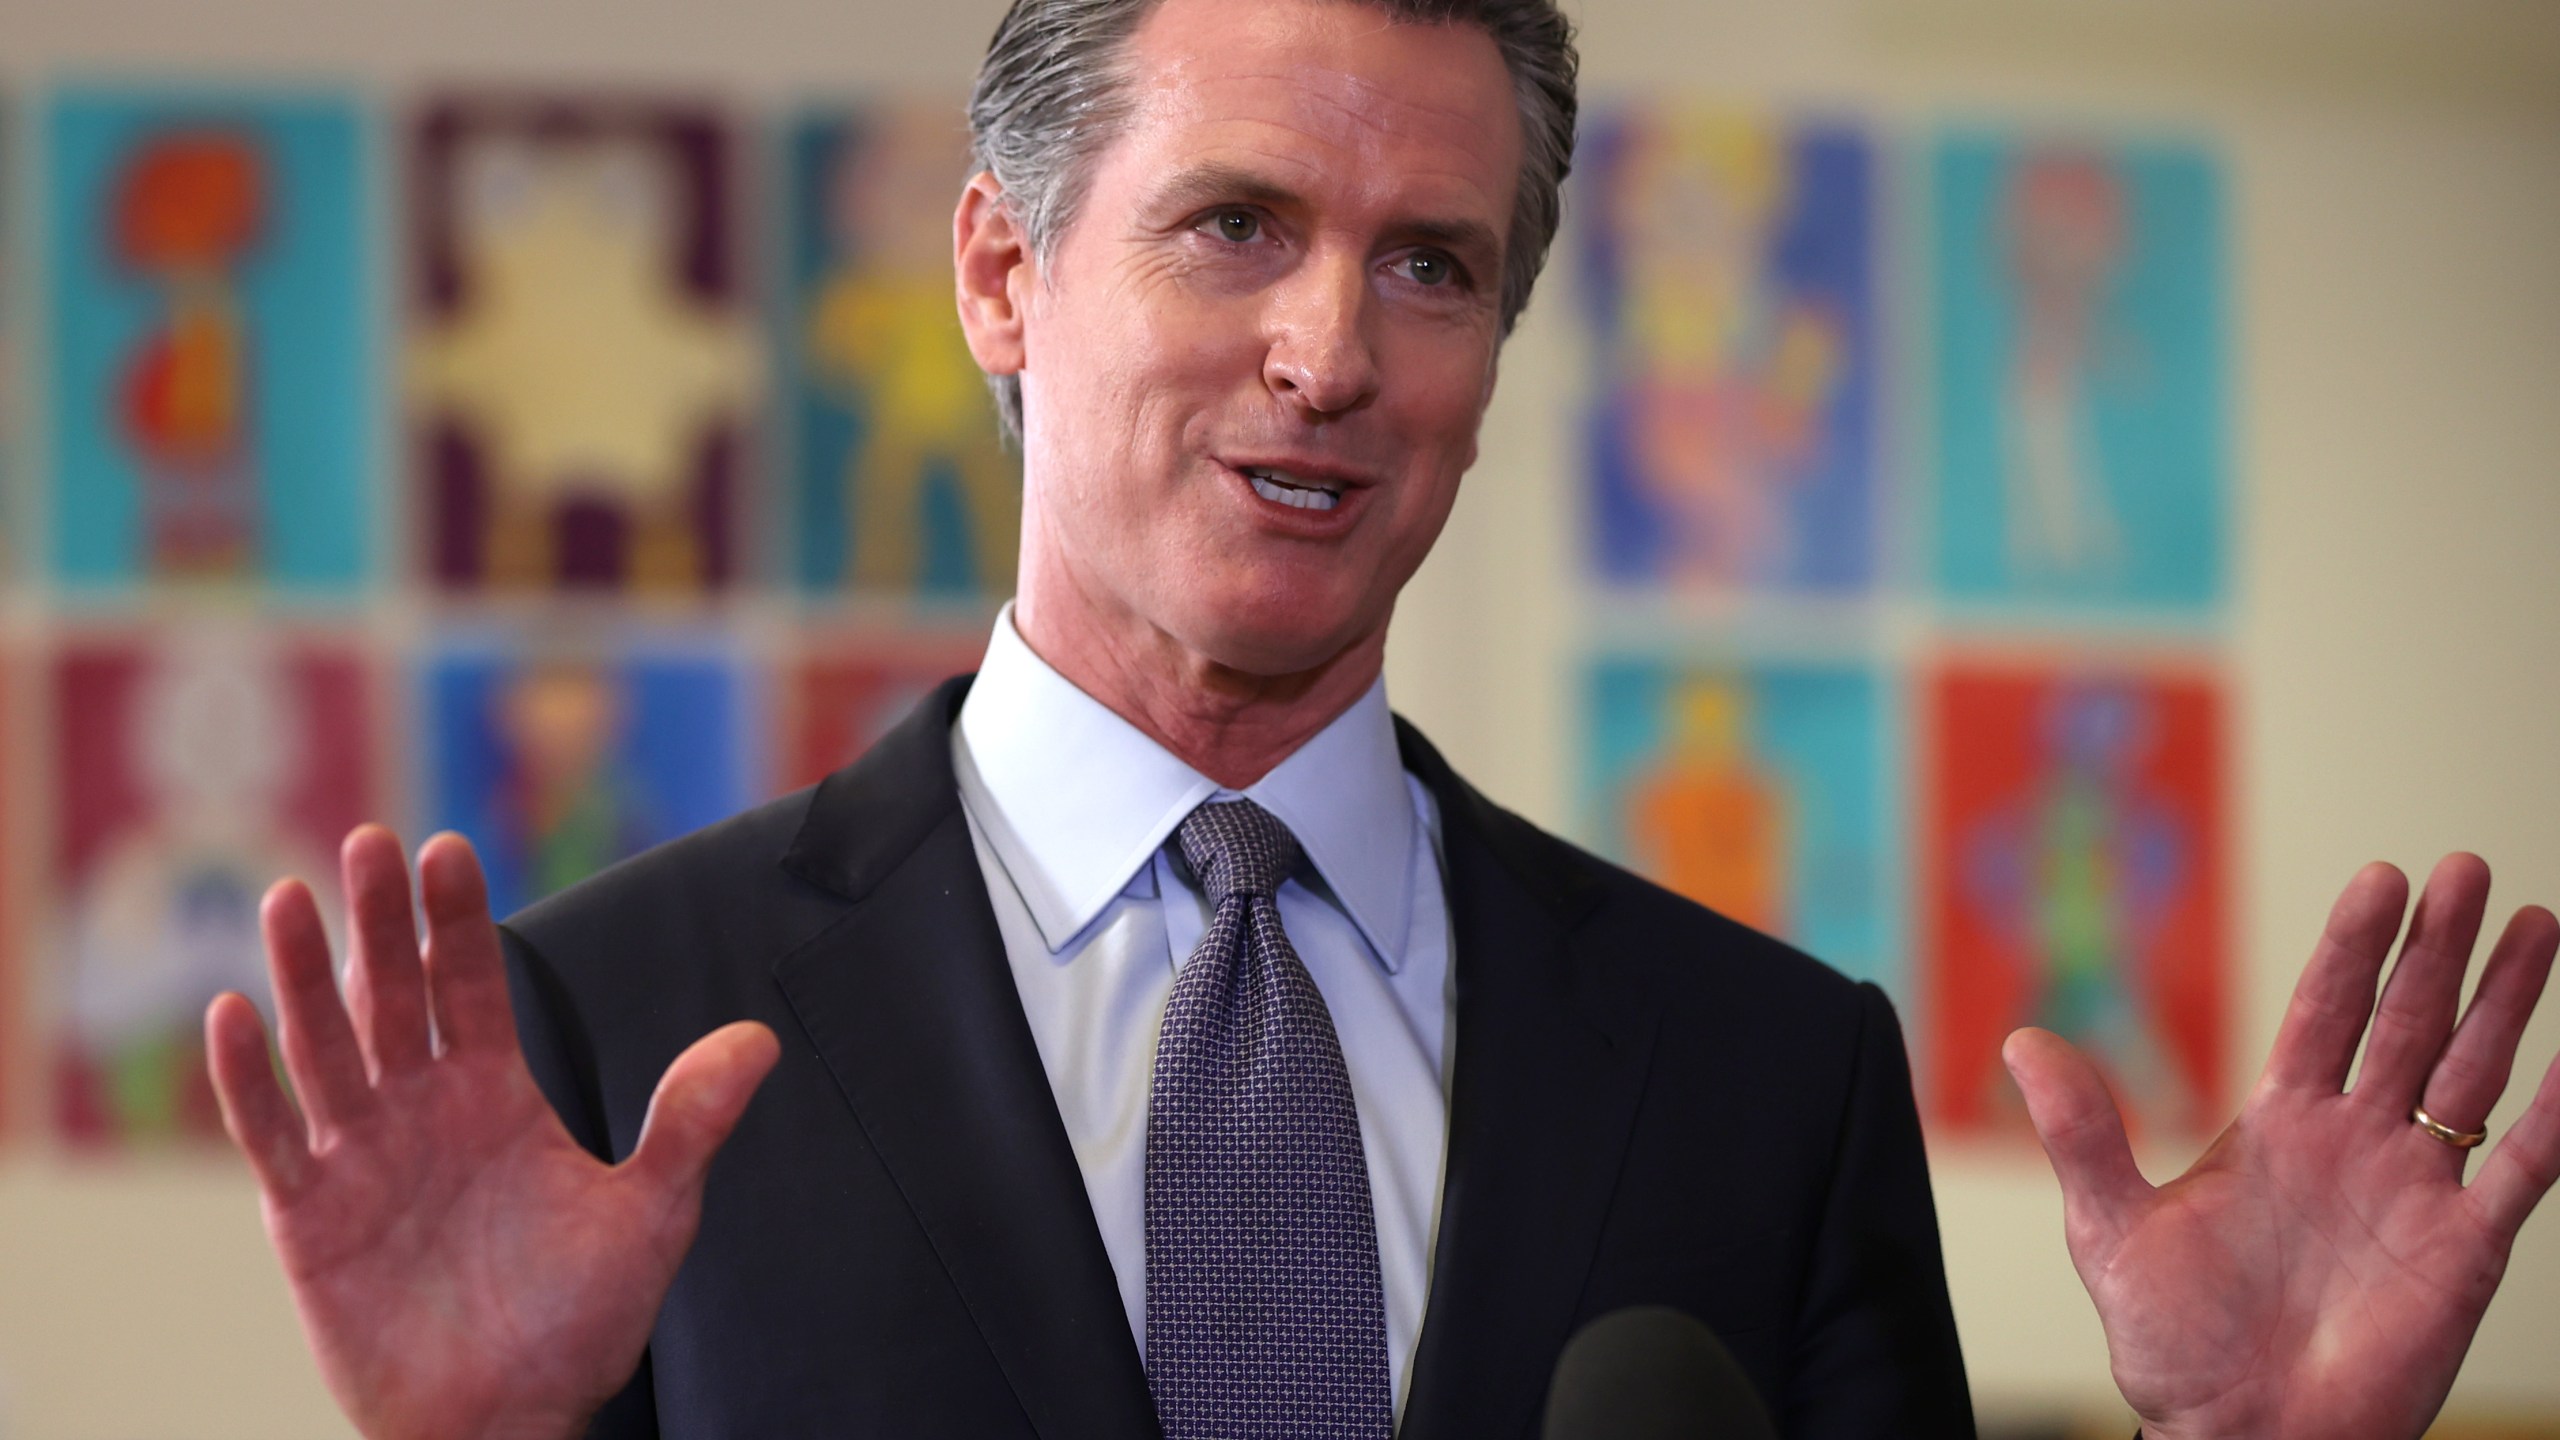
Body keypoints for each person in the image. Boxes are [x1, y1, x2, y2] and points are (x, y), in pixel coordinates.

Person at [203, 0, 2560, 1435]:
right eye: (1233, 223)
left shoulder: (1765, 1077)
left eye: (1427, 264)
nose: (1330, 352)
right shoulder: (617, 1028)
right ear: (1004, 274)